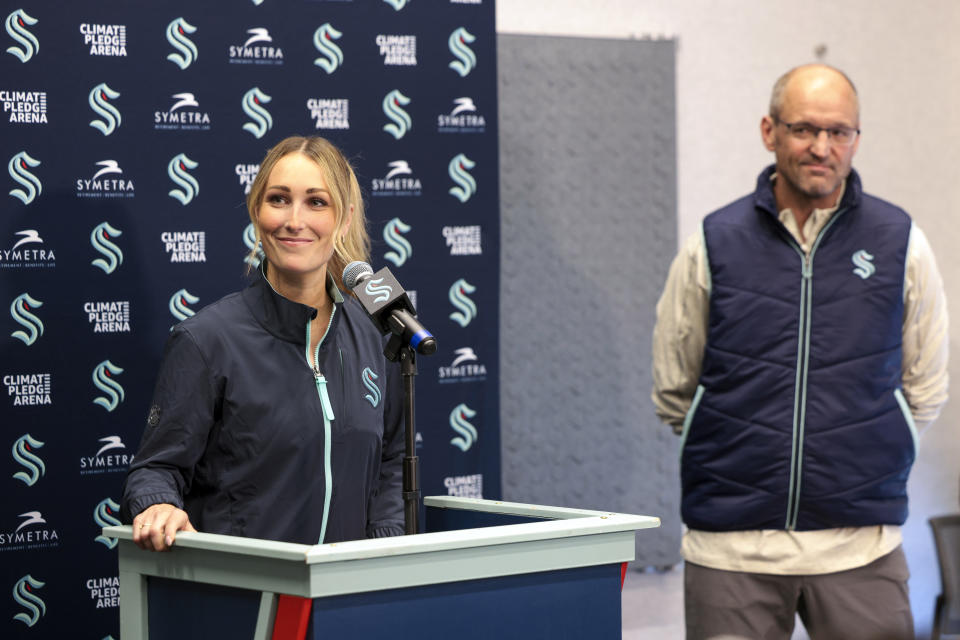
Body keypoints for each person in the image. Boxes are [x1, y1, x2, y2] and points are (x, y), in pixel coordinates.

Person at [652, 64, 948, 639]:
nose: (822, 147)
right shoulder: (715, 241)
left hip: (860, 546)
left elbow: (926, 384)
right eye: (804, 129)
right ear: (770, 131)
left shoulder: (899, 242)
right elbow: (674, 387)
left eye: (839, 132)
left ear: (857, 139)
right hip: (732, 549)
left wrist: (878, 445)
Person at [121, 136, 405, 551]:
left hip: (349, 599)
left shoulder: (378, 329)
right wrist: (158, 503)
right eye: (278, 199)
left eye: (316, 202)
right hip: (249, 599)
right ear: (256, 212)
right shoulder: (206, 339)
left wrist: (385, 553)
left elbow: (392, 463)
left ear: (343, 220)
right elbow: (156, 468)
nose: (295, 219)